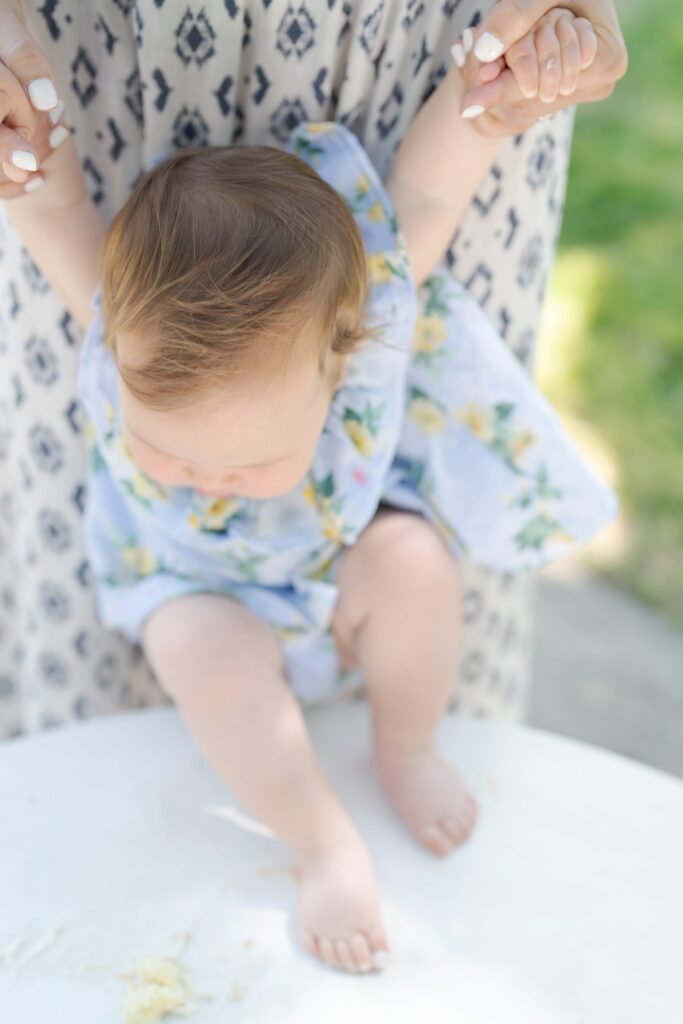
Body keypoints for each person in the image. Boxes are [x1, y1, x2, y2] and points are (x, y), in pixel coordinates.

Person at [2, 13, 615, 973]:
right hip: (194, 587)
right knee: (199, 646)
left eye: (246, 462)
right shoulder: (110, 329)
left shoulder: (364, 324)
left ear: (338, 367)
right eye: (164, 447)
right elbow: (49, 207)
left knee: (414, 562)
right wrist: (24, 150)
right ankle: (321, 837)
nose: (209, 479)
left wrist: (482, 99)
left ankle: (403, 747)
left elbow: (424, 183)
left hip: (339, 565)